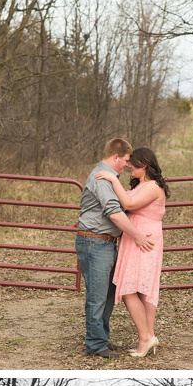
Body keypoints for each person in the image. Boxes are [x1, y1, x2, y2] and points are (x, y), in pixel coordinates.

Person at [76, 138, 154, 358]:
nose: (128, 165)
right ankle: (95, 345)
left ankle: (101, 339)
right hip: (95, 241)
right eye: (127, 160)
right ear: (116, 157)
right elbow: (114, 212)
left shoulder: (111, 178)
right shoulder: (101, 178)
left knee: (108, 295)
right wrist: (137, 235)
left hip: (105, 242)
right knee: (98, 296)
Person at [95, 146, 169, 358]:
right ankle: (148, 337)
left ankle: (146, 337)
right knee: (142, 289)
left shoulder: (153, 187)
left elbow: (127, 203)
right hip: (135, 238)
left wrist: (112, 179)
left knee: (130, 288)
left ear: (143, 165)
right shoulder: (141, 185)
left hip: (143, 239)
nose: (128, 168)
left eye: (132, 165)